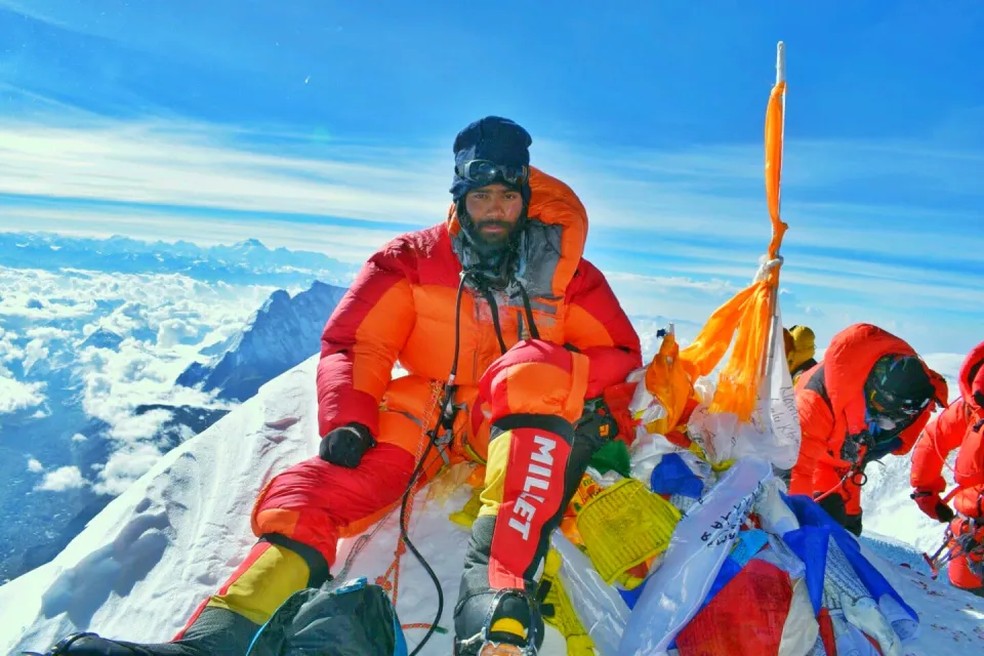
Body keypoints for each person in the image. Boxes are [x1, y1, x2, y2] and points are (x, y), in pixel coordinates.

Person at [42, 116, 641, 656]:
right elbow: (359, 345)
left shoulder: (567, 276)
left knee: (533, 367)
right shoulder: (410, 261)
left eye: (507, 196)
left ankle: (497, 609)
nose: (493, 209)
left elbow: (618, 352)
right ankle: (215, 639)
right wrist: (349, 419)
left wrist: (568, 378)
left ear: (525, 198)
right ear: (459, 196)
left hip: (513, 415)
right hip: (426, 402)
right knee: (322, 486)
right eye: (480, 194)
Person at [788, 323, 947, 536]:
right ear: (876, 395)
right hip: (818, 462)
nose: (892, 422)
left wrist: (896, 441)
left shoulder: (907, 387)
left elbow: (921, 404)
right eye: (886, 414)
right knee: (826, 524)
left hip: (849, 463)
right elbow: (795, 469)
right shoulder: (815, 401)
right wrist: (798, 524)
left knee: (850, 528)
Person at [910, 340, 984, 596]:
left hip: (969, 535)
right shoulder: (970, 409)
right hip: (970, 538)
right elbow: (934, 440)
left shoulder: (972, 407)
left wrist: (925, 491)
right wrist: (925, 492)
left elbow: (934, 440)